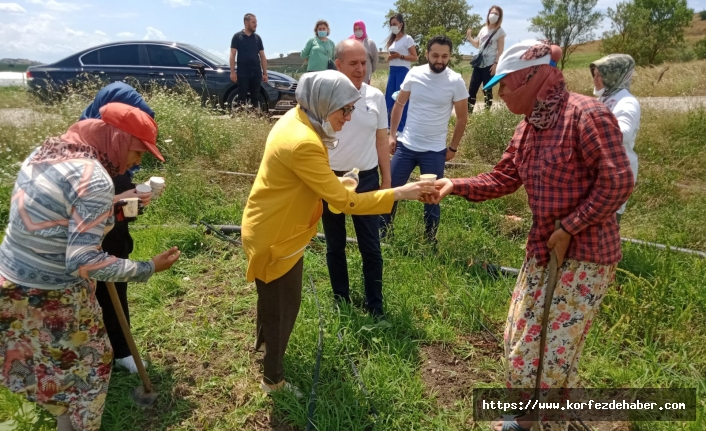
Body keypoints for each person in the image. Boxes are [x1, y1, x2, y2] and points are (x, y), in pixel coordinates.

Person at [423, 40, 634, 431]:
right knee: (519, 341)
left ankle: (534, 422)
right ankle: (527, 417)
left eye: (505, 83)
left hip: (584, 257)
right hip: (543, 249)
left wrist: (571, 226)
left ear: (534, 76)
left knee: (551, 354)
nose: (499, 92)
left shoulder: (585, 115)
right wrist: (456, 184)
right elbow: (504, 177)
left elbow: (618, 182)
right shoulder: (529, 127)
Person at [241, 70, 433, 396]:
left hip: (268, 225)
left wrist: (337, 185)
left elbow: (311, 184)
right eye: (344, 109)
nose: (348, 117)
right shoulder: (304, 142)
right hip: (278, 236)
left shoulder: (296, 118)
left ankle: (264, 351)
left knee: (272, 300)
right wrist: (403, 192)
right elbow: (346, 204)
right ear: (323, 102)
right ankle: (272, 380)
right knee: (283, 307)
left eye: (352, 109)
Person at [0, 102, 181, 431]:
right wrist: (147, 268)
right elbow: (82, 260)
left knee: (49, 365)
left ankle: (62, 421)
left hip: (12, 284)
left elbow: (62, 215)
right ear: (119, 139)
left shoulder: (49, 150)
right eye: (138, 153)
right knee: (91, 368)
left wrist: (119, 206)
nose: (137, 163)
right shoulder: (96, 180)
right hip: (53, 294)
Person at [80, 82, 158, 374]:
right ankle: (106, 354)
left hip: (114, 245)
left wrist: (136, 201)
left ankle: (119, 350)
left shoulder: (116, 158)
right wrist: (149, 267)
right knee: (93, 296)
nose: (137, 158)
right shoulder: (86, 159)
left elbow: (124, 214)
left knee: (112, 294)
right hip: (91, 252)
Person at [321, 40, 391, 319]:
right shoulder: (325, 98)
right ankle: (341, 300)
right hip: (331, 179)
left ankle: (375, 305)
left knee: (371, 246)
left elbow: (381, 140)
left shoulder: (375, 97)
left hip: (366, 179)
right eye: (353, 63)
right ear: (338, 65)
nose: (361, 69)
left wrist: (387, 181)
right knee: (335, 244)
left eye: (364, 63)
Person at [380, 35, 469, 244]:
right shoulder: (414, 74)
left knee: (432, 197)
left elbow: (463, 118)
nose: (440, 60)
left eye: (444, 56)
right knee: (390, 189)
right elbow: (399, 105)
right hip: (407, 146)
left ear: (450, 57)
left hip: (435, 150)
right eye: (435, 55)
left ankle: (430, 241)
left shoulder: (455, 81)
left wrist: (453, 148)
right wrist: (392, 135)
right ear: (427, 54)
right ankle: (382, 235)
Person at [590, 54, 640, 224]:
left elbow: (624, 132)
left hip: (619, 171)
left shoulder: (626, 101)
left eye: (601, 75)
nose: (596, 79)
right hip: (604, 169)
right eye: (594, 74)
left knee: (609, 224)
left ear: (614, 75)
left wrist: (588, 130)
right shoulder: (606, 97)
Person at [466, 5, 506, 112]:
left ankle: (487, 113)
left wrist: (496, 64)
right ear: (488, 15)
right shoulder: (483, 29)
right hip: (478, 64)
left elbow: (500, 50)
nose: (493, 15)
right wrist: (469, 37)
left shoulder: (500, 32)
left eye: (496, 14)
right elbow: (477, 45)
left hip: (490, 65)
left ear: (499, 17)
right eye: (492, 13)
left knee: (487, 90)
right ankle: (468, 113)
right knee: (472, 89)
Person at [384, 13, 418, 134]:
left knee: (401, 98)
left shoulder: (408, 38)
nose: (392, 27)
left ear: (401, 24)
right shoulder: (392, 40)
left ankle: (401, 127)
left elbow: (415, 57)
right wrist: (390, 57)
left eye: (394, 24)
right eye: (391, 25)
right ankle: (388, 125)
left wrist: (401, 56)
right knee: (389, 98)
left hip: (403, 71)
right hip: (392, 70)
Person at [230, 13, 268, 110]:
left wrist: (265, 73)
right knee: (241, 96)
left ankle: (254, 118)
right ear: (246, 23)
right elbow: (232, 55)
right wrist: (232, 72)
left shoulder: (257, 38)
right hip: (242, 72)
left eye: (256, 22)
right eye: (253, 22)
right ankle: (240, 118)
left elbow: (262, 56)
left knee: (255, 97)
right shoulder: (237, 37)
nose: (256, 24)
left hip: (256, 72)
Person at [349, 20, 379, 84]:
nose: (357, 31)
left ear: (364, 29)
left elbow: (375, 60)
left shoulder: (370, 43)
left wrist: (369, 70)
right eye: (356, 29)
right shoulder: (350, 43)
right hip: (352, 74)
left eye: (359, 29)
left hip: (365, 75)